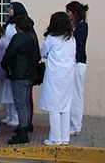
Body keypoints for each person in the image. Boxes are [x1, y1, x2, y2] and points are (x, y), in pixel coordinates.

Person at [1, 15, 40, 144]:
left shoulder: (18, 38)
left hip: (19, 74)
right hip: (30, 74)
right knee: (25, 102)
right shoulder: (33, 37)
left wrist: (4, 65)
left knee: (20, 104)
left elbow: (9, 54)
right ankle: (26, 125)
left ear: (19, 26)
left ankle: (23, 131)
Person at [39, 12, 76, 146]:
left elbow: (42, 52)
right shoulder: (71, 38)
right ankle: (65, 137)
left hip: (54, 76)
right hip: (68, 75)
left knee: (54, 107)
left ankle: (55, 138)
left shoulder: (51, 38)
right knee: (65, 106)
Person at [67, 1, 89, 136]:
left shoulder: (82, 27)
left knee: (76, 95)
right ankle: (72, 123)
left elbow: (77, 43)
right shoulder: (74, 26)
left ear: (75, 13)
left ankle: (76, 125)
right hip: (72, 64)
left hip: (78, 63)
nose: (67, 15)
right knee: (71, 94)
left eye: (68, 12)